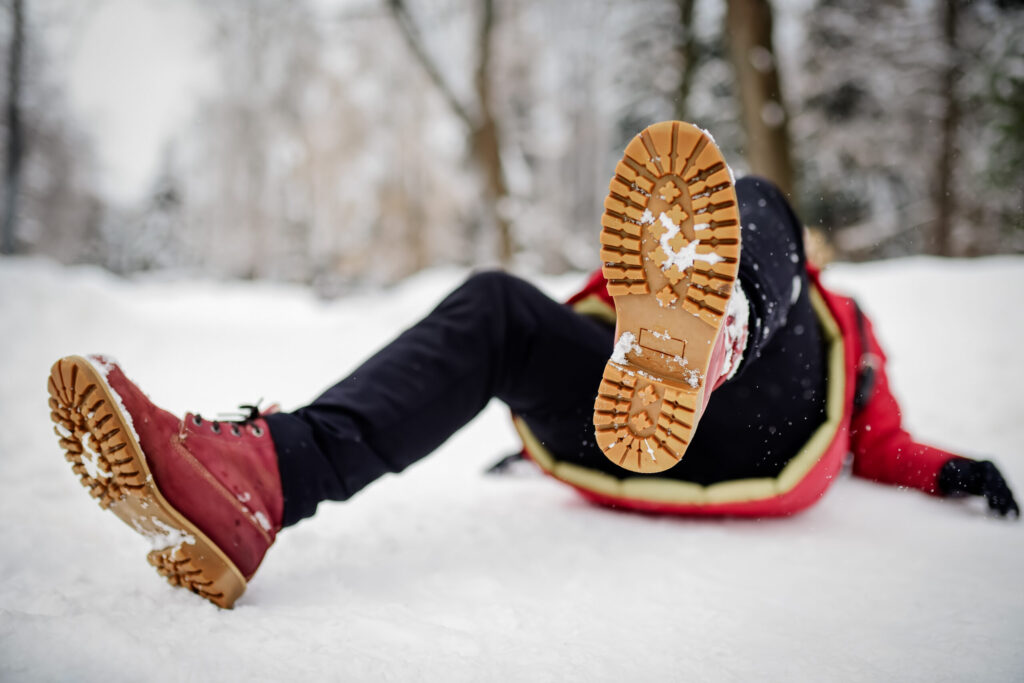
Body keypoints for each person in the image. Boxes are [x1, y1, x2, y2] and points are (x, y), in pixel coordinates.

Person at [46, 121, 1018, 609]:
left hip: (762, 421)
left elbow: (874, 433)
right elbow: (877, 435)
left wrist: (942, 467)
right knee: (498, 306)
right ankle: (263, 479)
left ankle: (721, 326)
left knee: (759, 195)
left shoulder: (838, 315)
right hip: (632, 435)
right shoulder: (638, 305)